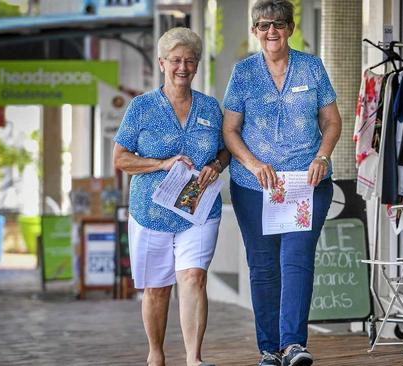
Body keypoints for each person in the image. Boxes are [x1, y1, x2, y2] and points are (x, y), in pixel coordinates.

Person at [222, 1, 342, 365]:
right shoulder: (242, 72)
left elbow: (333, 122)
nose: (270, 31)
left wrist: (322, 156)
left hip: (305, 183)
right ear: (255, 31)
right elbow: (230, 130)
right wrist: (253, 163)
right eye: (263, 25)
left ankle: (293, 345)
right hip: (253, 186)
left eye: (277, 24)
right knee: (263, 266)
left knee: (297, 261)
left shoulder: (312, 66)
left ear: (290, 28)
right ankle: (269, 350)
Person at [113, 27, 229, 366]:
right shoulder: (142, 107)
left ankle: (194, 358)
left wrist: (216, 166)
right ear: (162, 63)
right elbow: (120, 159)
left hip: (198, 210)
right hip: (150, 212)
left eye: (190, 61)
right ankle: (156, 354)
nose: (183, 67)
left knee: (193, 276)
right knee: (158, 288)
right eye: (176, 60)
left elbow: (224, 151)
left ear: (196, 66)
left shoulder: (210, 107)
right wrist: (162, 163)